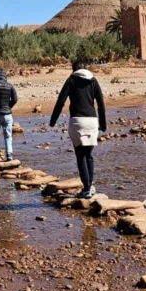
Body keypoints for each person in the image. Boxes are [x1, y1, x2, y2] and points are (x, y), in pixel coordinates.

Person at [49, 61, 107, 199]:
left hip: (77, 121)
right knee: (89, 155)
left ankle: (86, 188)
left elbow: (61, 101)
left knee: (80, 156)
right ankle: (89, 186)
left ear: (73, 69)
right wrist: (103, 124)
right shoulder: (93, 80)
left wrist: (53, 121)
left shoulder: (71, 80)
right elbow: (101, 103)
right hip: (92, 121)